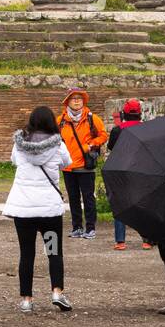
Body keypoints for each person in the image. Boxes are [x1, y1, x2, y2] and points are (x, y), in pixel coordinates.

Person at [3, 106, 73, 312]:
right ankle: (57, 292)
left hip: (24, 211)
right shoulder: (58, 144)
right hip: (48, 212)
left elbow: (14, 161)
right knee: (53, 252)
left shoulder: (19, 145)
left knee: (27, 254)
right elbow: (67, 163)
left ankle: (26, 299)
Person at [57, 87, 109, 239]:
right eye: (74, 98)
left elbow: (103, 135)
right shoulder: (60, 121)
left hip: (86, 166)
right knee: (73, 198)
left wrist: (91, 145)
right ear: (67, 101)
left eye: (80, 98)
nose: (77, 101)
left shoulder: (92, 118)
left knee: (88, 197)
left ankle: (91, 228)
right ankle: (77, 227)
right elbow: (54, 138)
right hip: (68, 167)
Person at [107, 99, 149, 249]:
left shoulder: (117, 130)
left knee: (120, 205)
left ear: (124, 113)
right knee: (144, 204)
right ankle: (146, 240)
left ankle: (120, 242)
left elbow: (111, 148)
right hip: (142, 170)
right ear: (140, 114)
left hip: (121, 171)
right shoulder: (147, 129)